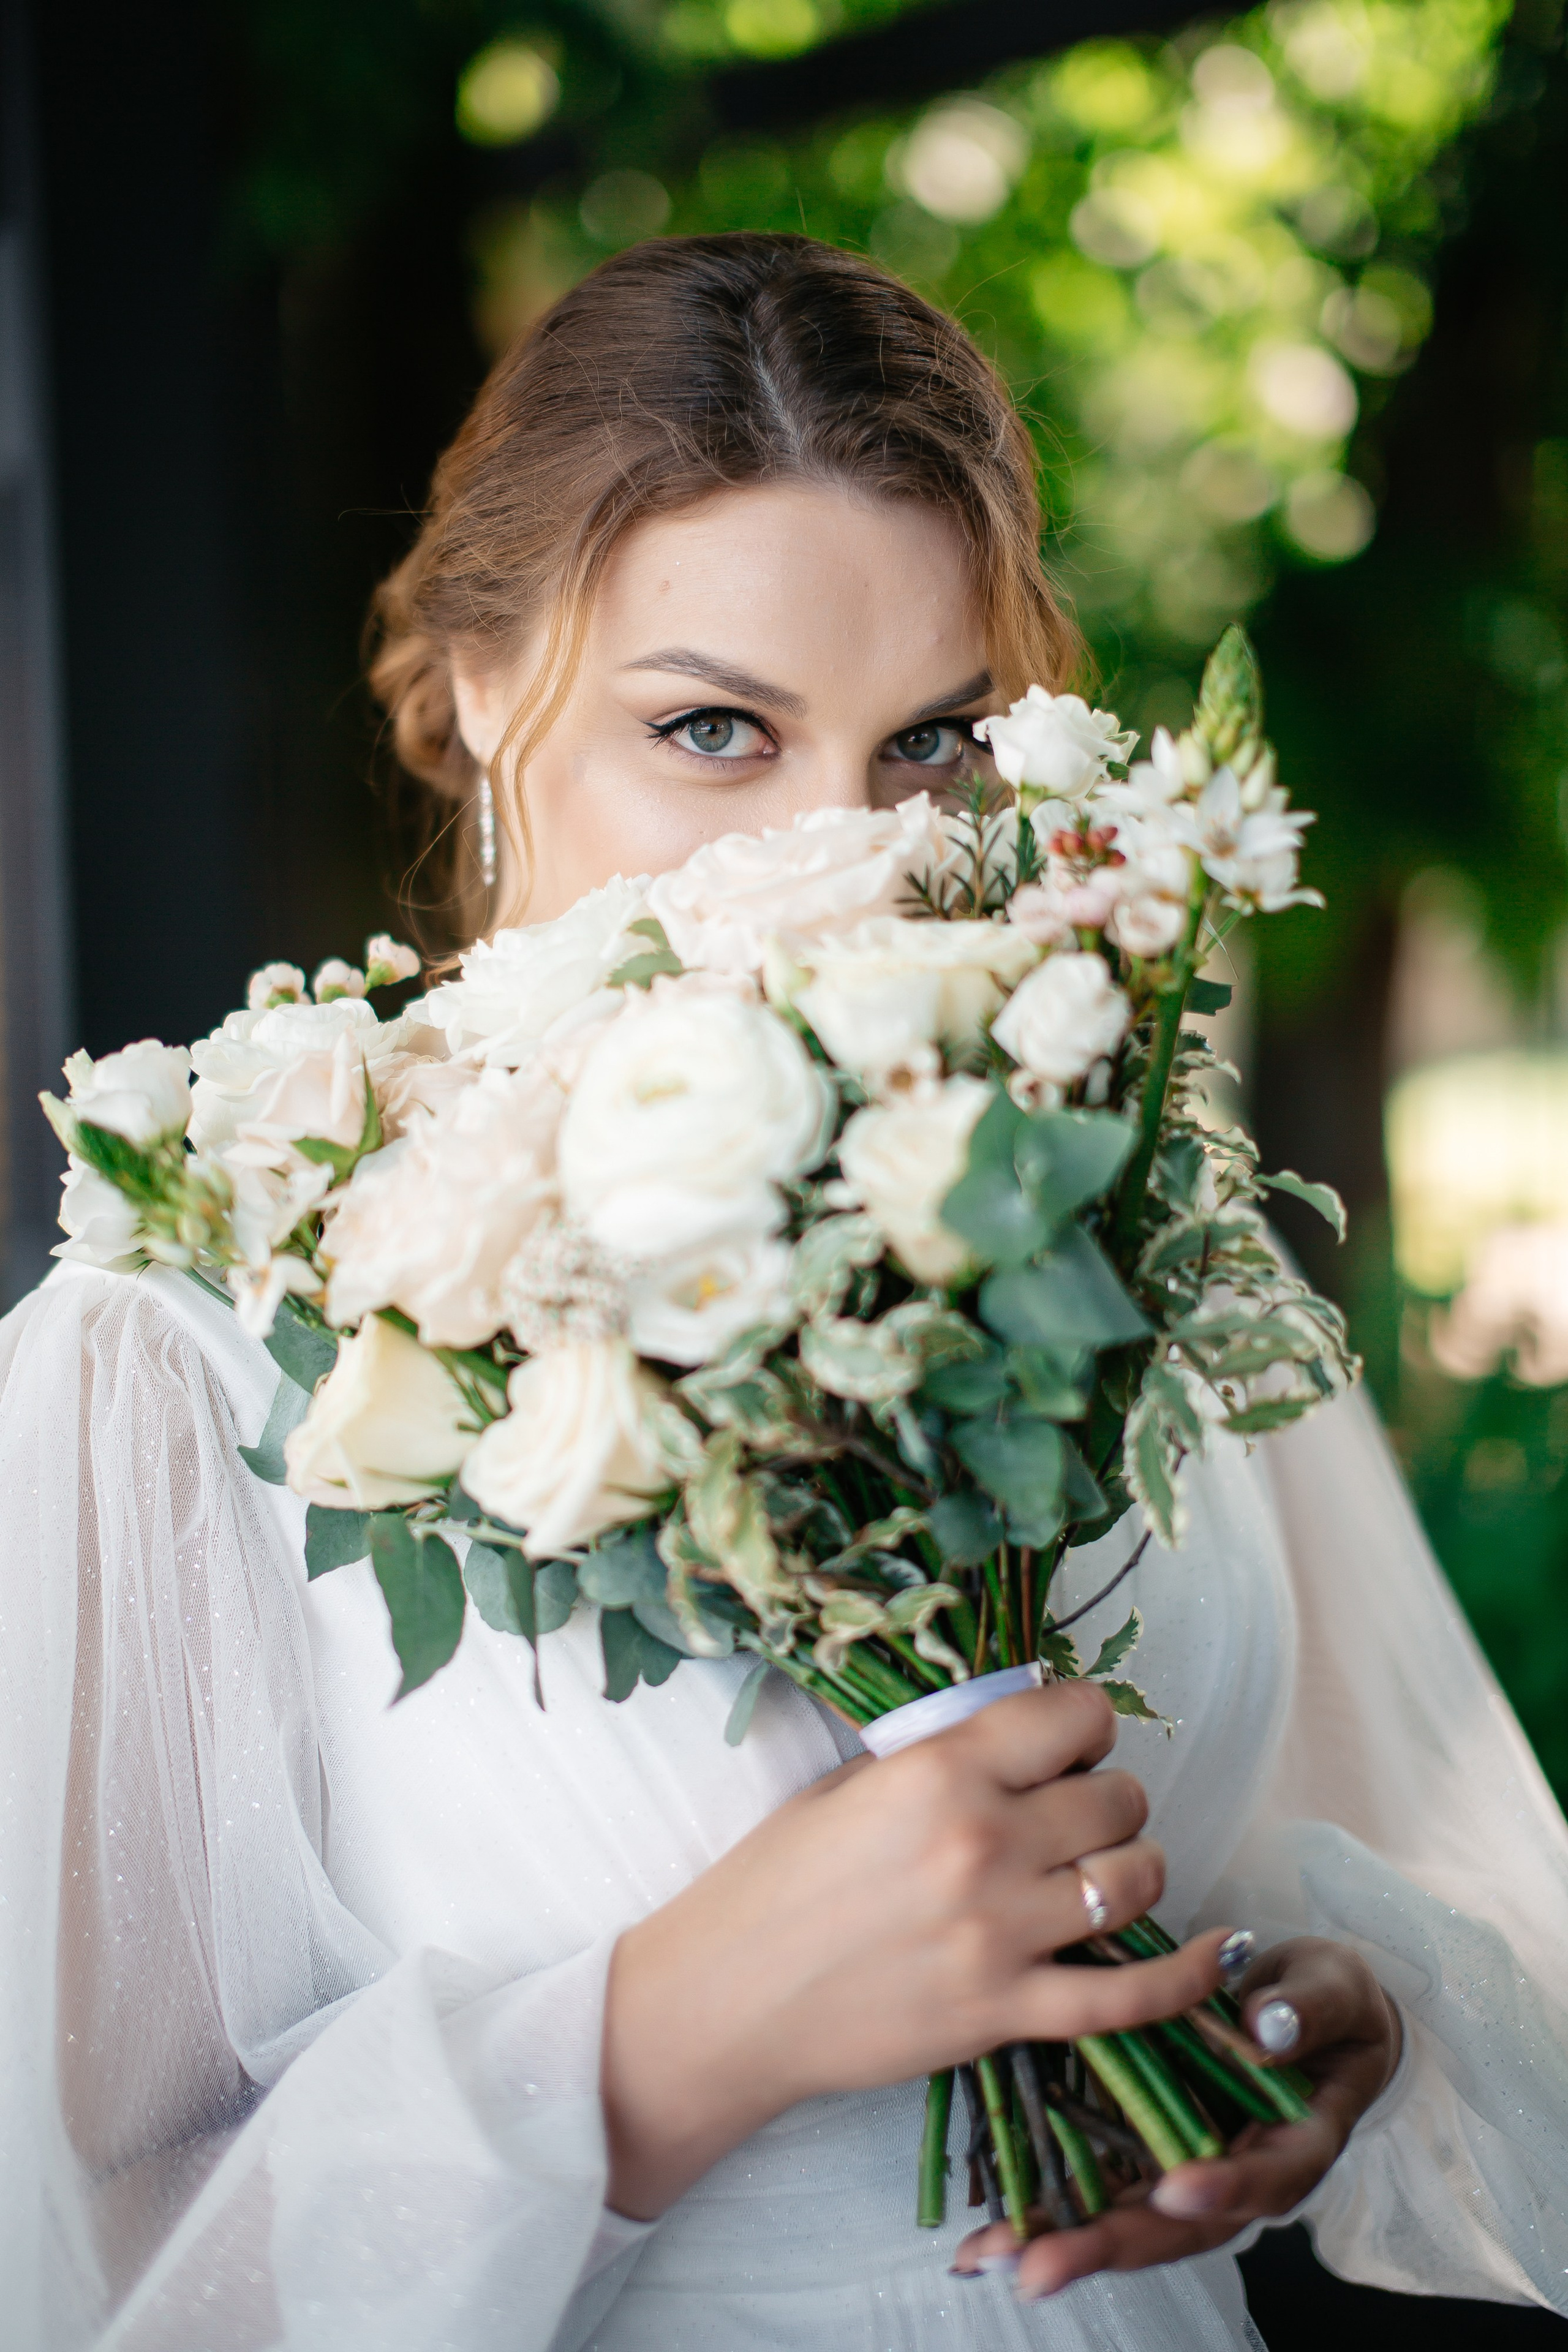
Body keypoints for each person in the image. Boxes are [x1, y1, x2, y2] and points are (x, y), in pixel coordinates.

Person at [3, 233, 1566, 2352]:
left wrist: (1316, 2014)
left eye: (932, 743)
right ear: (482, 690)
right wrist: (666, 2037)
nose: (847, 861)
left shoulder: (1123, 1232)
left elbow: (1413, 1834)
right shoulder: (180, 1362)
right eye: (719, 727)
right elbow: (105, 2282)